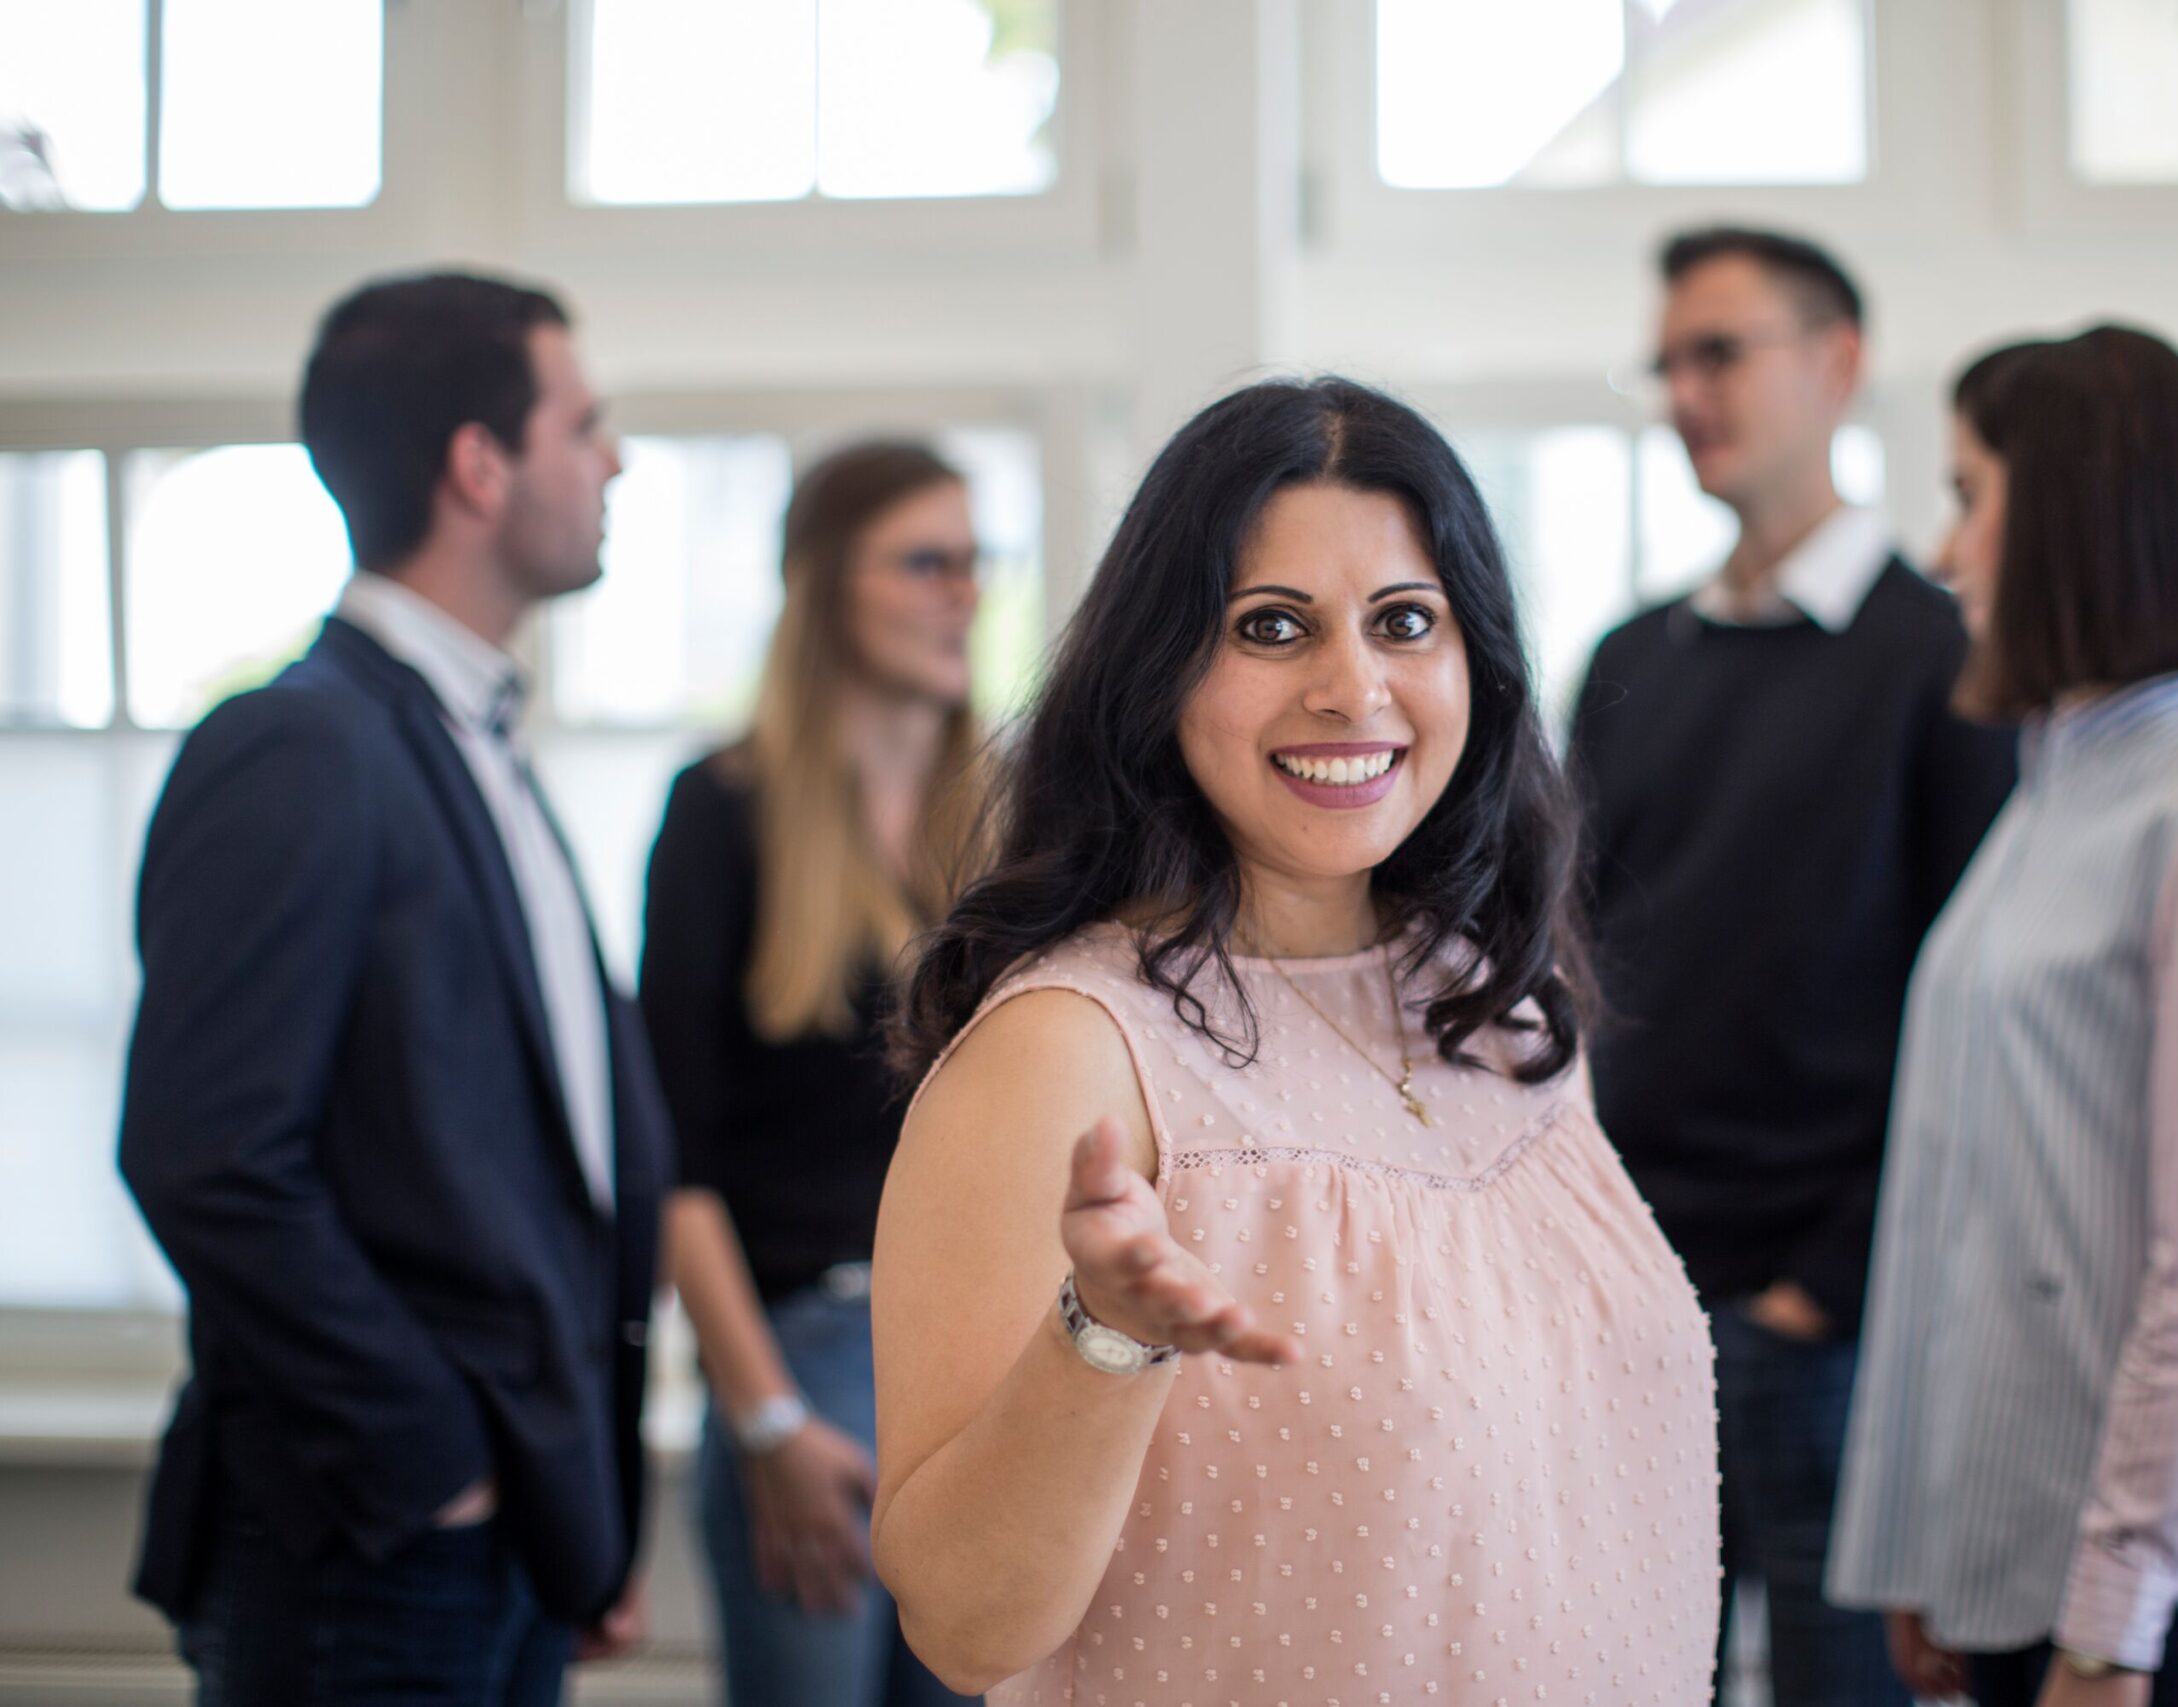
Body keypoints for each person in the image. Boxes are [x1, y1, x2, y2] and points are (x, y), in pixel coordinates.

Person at [867, 377, 1721, 1702]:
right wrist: (1104, 1333)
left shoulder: (1502, 1006)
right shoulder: (1066, 1050)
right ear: (1160, 670)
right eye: (1272, 626)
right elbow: (968, 1625)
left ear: (1477, 664)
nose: (1352, 686)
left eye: (1405, 622)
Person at [118, 272, 672, 1705]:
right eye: (584, 424)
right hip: (376, 1534)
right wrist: (435, 1464)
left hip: (516, 1533)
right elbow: (209, 1154)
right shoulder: (298, 748)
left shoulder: (471, 740)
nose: (613, 459)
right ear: (479, 465)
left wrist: (574, 1502)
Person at [1827, 325, 2178, 1707]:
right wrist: (1922, 1548)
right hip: (2015, 1566)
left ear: (2070, 516)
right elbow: (1956, 1211)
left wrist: (2110, 1628)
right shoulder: (2050, 796)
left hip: (2145, 1617)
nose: (1945, 552)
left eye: (1967, 495)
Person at [1568, 224, 2016, 1705]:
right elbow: (1560, 982)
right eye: (1670, 362)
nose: (1687, 390)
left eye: (1722, 351)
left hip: (1830, 1329)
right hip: (1627, 1310)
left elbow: (1985, 1027)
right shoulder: (1631, 660)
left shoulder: (1944, 659)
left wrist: (1828, 1285)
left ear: (1838, 365)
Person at [639, 440, 987, 1707]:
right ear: (824, 586)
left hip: (983, 1361)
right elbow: (671, 1164)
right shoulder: (719, 814)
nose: (964, 591)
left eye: (973, 562)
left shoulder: (1006, 832)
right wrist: (769, 1424)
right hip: (809, 1355)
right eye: (924, 562)